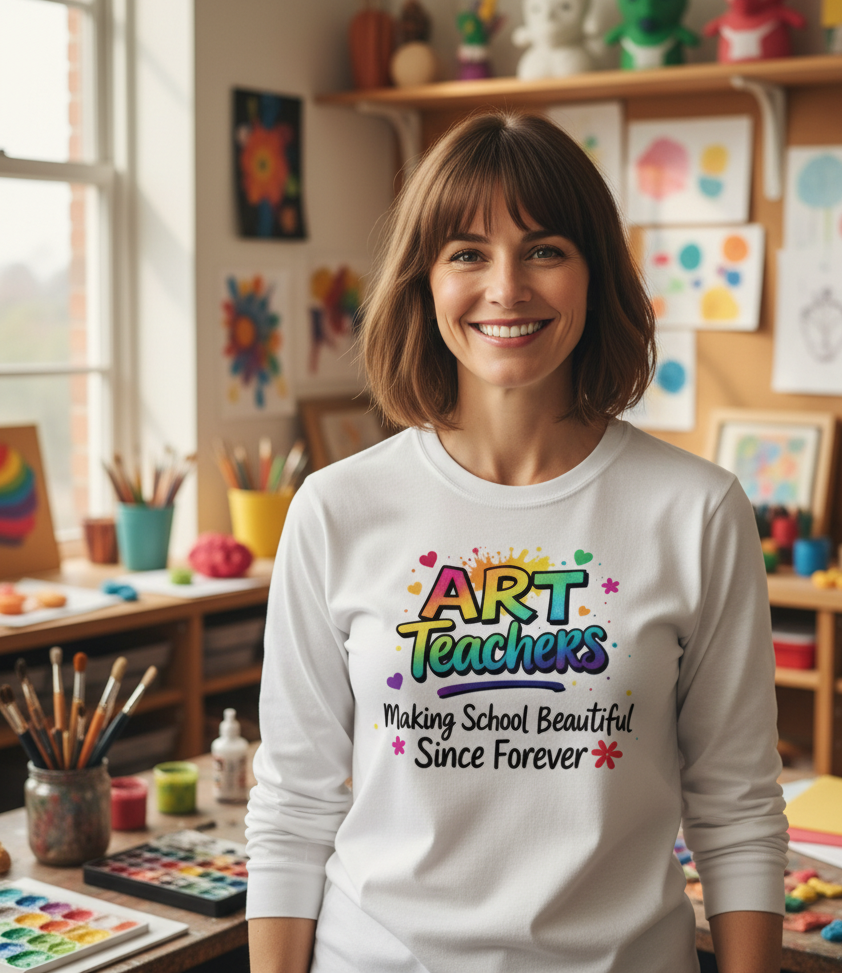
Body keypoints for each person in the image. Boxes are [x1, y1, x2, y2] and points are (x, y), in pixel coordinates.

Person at [245, 112, 788, 973]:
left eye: (544, 250)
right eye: (466, 252)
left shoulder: (698, 511)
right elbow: (292, 806)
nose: (507, 288)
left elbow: (738, 805)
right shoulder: (334, 508)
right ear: (424, 280)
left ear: (593, 272)